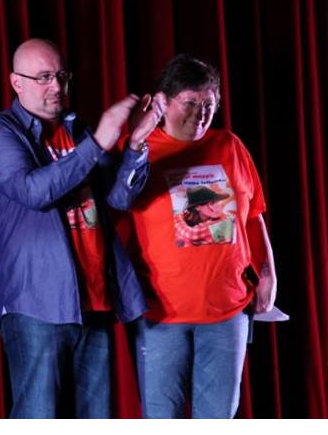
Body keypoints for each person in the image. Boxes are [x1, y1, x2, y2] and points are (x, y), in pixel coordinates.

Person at [0, 38, 165, 418]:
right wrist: (97, 143)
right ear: (16, 82)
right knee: (38, 417)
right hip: (36, 305)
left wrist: (136, 144)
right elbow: (34, 191)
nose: (57, 87)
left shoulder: (77, 131)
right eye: (44, 77)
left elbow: (118, 199)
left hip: (94, 302)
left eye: (62, 76)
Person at [123, 54, 278, 418]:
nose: (200, 113)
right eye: (190, 103)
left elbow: (252, 215)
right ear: (163, 102)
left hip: (227, 312)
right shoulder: (139, 152)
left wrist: (268, 271)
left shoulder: (230, 146)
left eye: (208, 104)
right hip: (161, 315)